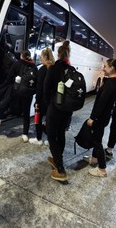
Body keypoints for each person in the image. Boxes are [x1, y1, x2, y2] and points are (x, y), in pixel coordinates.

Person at [86, 58, 116, 177]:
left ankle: (102, 169)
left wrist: (93, 117)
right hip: (104, 116)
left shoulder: (111, 83)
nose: (103, 68)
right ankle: (94, 159)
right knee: (98, 138)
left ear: (111, 68)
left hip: (100, 117)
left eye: (105, 66)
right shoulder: (115, 81)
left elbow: (102, 102)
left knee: (97, 141)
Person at [43, 40, 72, 182]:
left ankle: (60, 169)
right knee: (61, 133)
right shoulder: (72, 69)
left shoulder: (54, 69)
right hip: (67, 109)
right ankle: (57, 158)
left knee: (51, 135)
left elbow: (46, 89)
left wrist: (49, 104)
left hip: (55, 108)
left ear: (59, 54)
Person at [7, 50, 38, 142]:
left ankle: (1, 116)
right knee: (26, 113)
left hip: (17, 91)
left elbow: (9, 76)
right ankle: (25, 133)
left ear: (21, 56)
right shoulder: (34, 65)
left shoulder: (17, 63)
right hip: (28, 93)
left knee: (9, 100)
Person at [28, 47, 55, 146]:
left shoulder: (42, 69)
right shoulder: (54, 68)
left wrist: (37, 101)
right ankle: (49, 140)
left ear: (44, 57)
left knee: (38, 119)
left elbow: (40, 87)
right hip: (52, 101)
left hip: (43, 100)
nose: (40, 58)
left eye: (41, 56)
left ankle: (39, 139)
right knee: (50, 120)